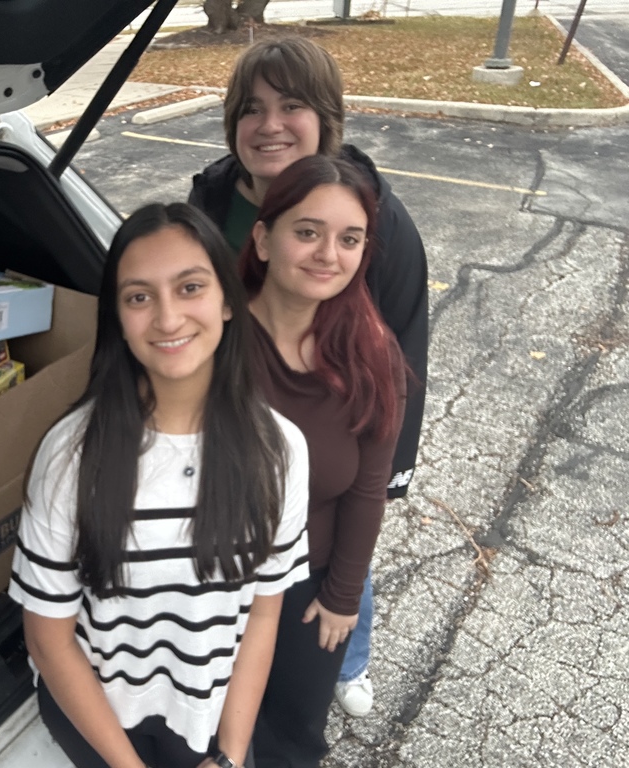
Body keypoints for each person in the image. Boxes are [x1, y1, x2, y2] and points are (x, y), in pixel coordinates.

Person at [8, 203, 310, 768]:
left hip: (212, 720)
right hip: (100, 723)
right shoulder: (73, 455)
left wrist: (229, 756)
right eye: (139, 297)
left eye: (190, 287)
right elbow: (49, 640)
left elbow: (263, 616)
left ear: (227, 301)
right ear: (118, 318)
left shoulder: (280, 450)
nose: (168, 319)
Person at [188, 37, 428, 716]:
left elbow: (403, 346)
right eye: (252, 108)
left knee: (341, 524)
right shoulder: (210, 199)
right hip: (239, 431)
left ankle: (345, 657)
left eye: (291, 106)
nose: (269, 124)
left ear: (326, 117)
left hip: (333, 442)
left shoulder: (372, 216)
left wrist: (391, 470)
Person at [238, 155, 406, 767]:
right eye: (307, 231)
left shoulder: (373, 353)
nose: (327, 254)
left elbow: (367, 489)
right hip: (212, 581)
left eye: (349, 239)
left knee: (290, 736)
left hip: (311, 585)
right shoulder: (212, 337)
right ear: (263, 237)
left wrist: (341, 596)